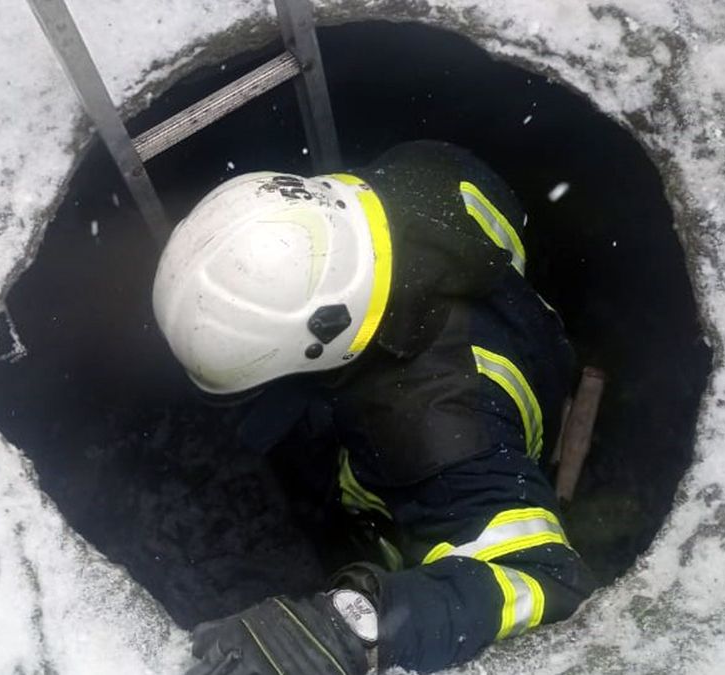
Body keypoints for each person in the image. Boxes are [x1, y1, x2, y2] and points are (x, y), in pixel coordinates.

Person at [155, 141, 596, 674]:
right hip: (519, 343)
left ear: (325, 337)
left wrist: (352, 627)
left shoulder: (431, 433)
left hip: (468, 441)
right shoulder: (424, 180)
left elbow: (551, 581)